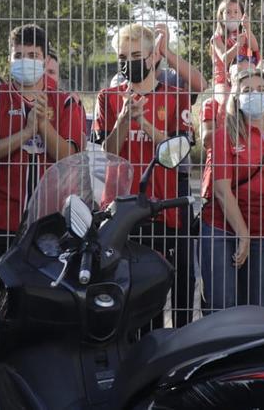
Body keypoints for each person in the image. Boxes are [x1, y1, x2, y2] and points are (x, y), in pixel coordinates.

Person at [0, 25, 86, 312]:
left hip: (50, 223)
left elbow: (68, 157)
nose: (25, 60)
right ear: (9, 59)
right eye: (18, 55)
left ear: (46, 60)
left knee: (46, 300)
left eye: (33, 55)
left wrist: (43, 127)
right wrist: (26, 132)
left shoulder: (67, 102)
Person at [95, 24, 195, 328]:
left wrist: (146, 124)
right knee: (124, 294)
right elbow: (106, 151)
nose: (129, 63)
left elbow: (178, 152)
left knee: (163, 288)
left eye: (136, 55)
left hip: (162, 208)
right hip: (119, 210)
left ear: (152, 57)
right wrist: (125, 119)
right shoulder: (107, 97)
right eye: (123, 57)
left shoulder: (176, 97)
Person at [197, 68, 264, 313]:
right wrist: (243, 234)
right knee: (221, 305)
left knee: (257, 307)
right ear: (236, 98)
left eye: (261, 89)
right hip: (221, 228)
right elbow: (221, 190)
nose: (255, 94)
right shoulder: (224, 136)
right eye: (247, 90)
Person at [209, 0, 261, 103]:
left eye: (236, 12)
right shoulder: (216, 38)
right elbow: (225, 59)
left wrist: (248, 29)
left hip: (245, 77)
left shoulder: (243, 33)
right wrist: (237, 46)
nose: (232, 15)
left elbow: (255, 48)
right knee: (226, 101)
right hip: (223, 81)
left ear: (242, 16)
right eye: (228, 12)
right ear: (221, 17)